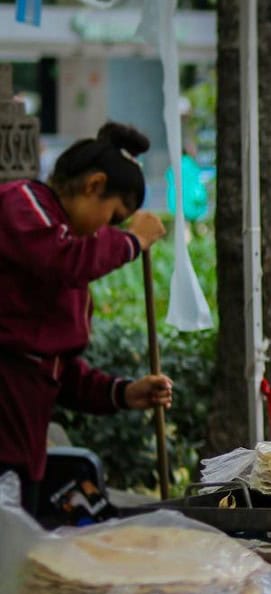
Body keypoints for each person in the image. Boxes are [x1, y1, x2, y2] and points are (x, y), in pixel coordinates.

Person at [0, 122, 173, 514]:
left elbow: (57, 368)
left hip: (24, 443)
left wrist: (122, 392)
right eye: (113, 217)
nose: (107, 230)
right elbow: (63, 260)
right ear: (94, 185)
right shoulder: (20, 203)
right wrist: (131, 241)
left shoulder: (63, 254)